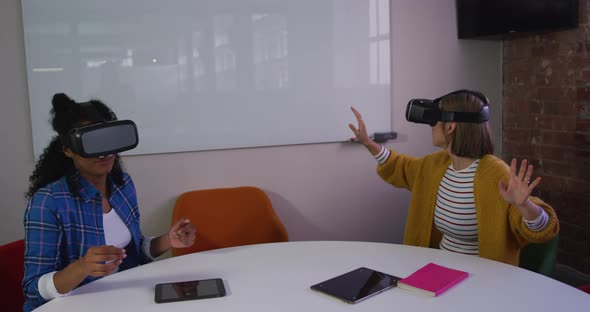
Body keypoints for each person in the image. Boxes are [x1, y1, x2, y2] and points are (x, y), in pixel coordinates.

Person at [23, 93, 197, 312]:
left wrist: (168, 240)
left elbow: (134, 252)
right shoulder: (48, 202)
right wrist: (83, 267)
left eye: (108, 140)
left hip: (122, 299)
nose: (104, 152)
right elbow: (33, 288)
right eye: (92, 143)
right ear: (67, 149)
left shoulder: (122, 185)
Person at [349, 89, 558, 265]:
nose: (431, 127)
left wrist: (524, 205)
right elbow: (400, 166)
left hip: (483, 279)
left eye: (434, 122)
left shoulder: (495, 174)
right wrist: (368, 142)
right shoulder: (435, 165)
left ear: (450, 126)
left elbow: (545, 230)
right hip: (439, 268)